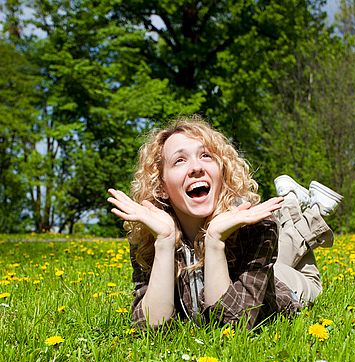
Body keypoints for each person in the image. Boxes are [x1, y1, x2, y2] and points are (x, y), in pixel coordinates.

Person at [107, 115, 341, 330]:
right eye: (179, 160)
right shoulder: (151, 234)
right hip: (264, 266)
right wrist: (165, 242)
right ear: (161, 186)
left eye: (206, 155)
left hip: (287, 286)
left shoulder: (256, 227)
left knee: (292, 262)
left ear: (222, 171)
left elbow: (232, 325)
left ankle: (309, 209)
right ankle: (295, 201)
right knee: (283, 247)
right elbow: (149, 328)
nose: (196, 167)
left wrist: (215, 240)